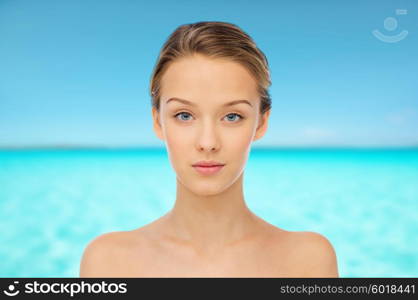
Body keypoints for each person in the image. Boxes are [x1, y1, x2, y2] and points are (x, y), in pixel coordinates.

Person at [79, 21, 339, 277]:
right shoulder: (108, 262)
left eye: (232, 116)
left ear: (261, 123)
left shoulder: (308, 260)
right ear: (158, 122)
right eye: (184, 115)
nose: (207, 142)